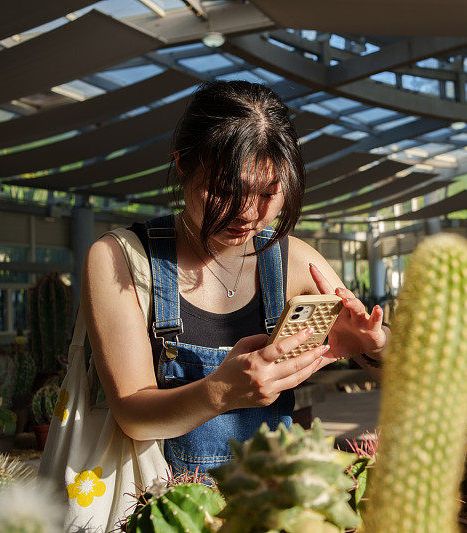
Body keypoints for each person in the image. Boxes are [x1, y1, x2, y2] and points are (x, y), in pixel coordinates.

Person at [82, 81, 388, 476]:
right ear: (182, 165)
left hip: (273, 503)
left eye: (266, 194)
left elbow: (399, 369)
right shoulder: (120, 258)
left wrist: (375, 346)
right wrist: (220, 391)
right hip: (167, 509)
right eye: (225, 190)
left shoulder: (292, 259)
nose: (246, 213)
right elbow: (132, 415)